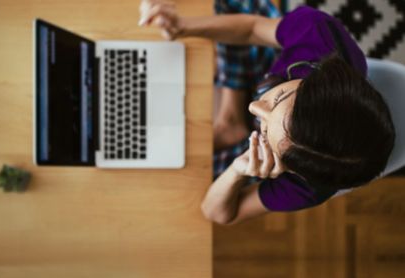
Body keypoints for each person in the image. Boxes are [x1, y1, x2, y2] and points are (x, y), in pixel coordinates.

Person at [138, 0, 395, 224]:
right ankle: (232, 116)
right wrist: (181, 26)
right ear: (318, 78)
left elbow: (216, 213)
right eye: (281, 97)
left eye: (265, 128)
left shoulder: (308, 187)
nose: (255, 106)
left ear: (292, 169)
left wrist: (239, 170)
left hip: (249, 146)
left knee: (173, 179)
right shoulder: (319, 34)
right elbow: (252, 28)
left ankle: (233, 118)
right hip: (268, 66)